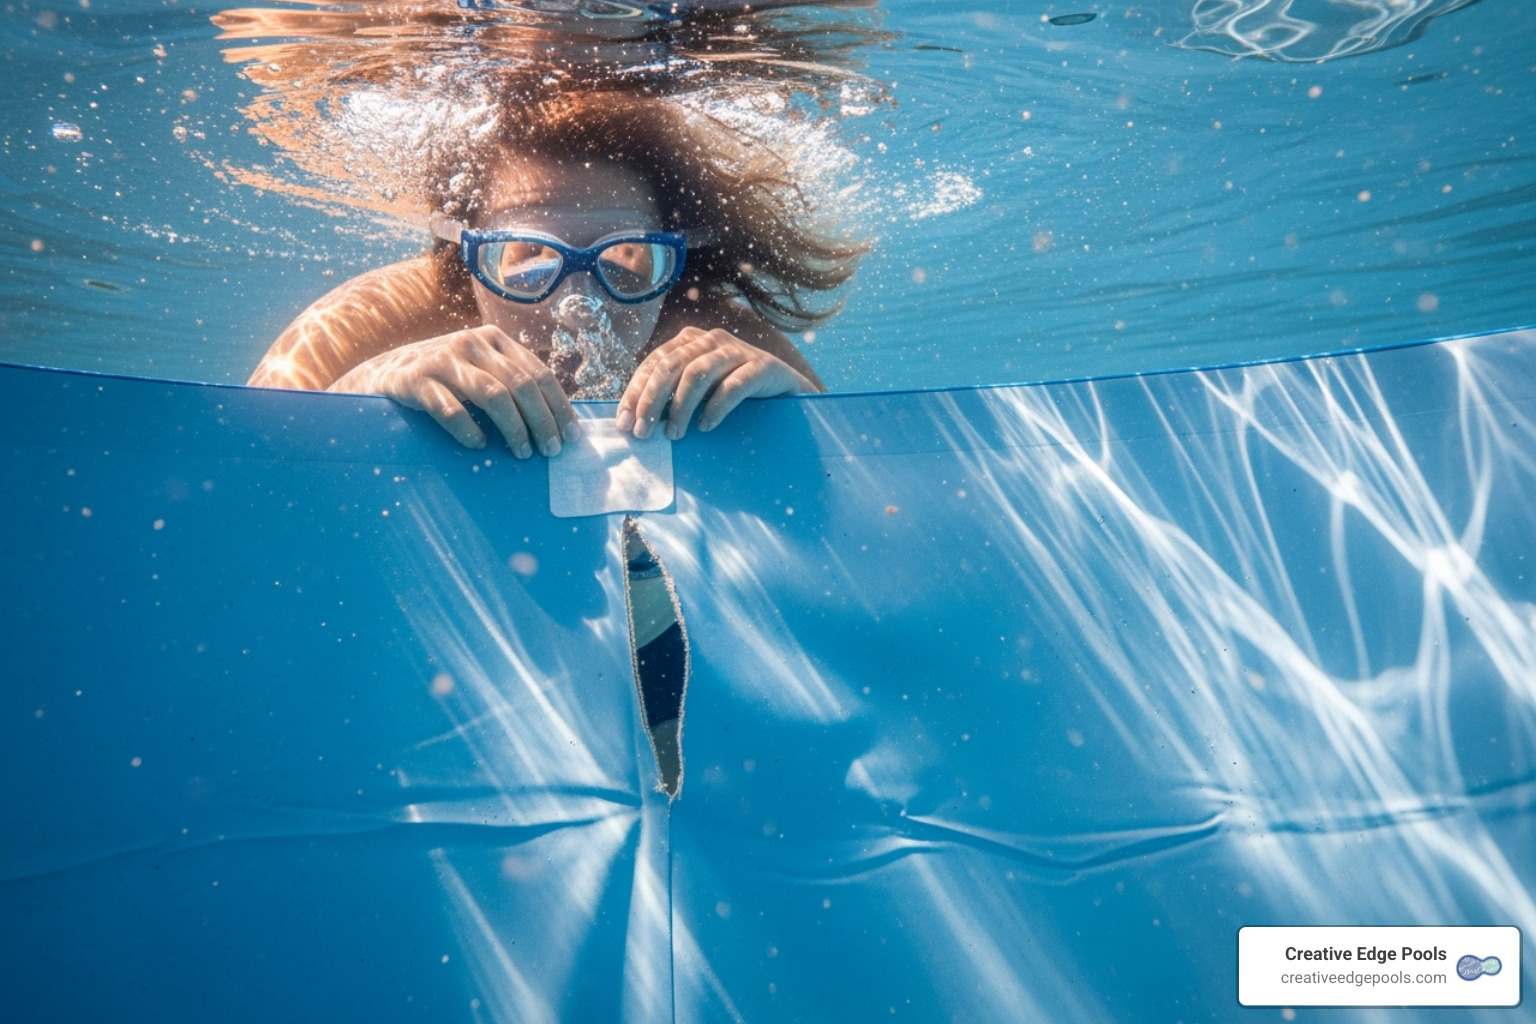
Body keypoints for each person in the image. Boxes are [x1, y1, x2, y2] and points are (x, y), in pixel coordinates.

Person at [248, 93, 863, 457]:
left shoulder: (713, 339)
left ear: (672, 265)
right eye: (525, 258)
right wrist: (362, 384)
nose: (579, 303)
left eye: (626, 259)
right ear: (466, 260)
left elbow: (861, 491)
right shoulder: (384, 319)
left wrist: (795, 412)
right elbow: (238, 464)